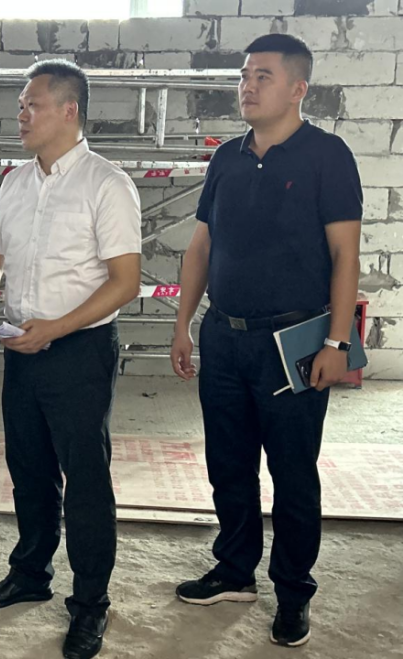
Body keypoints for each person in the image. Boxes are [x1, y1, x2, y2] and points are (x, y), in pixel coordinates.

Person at [170, 34, 363, 648]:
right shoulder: (226, 157)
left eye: (263, 76)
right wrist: (184, 322)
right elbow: (201, 246)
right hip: (225, 337)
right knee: (228, 464)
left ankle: (293, 592)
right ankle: (234, 571)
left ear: (298, 88)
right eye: (244, 75)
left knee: (292, 473)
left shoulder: (327, 155)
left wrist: (337, 342)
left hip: (295, 341)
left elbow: (346, 255)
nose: (248, 86)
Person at [0, 60, 142, 659]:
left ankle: (90, 602)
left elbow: (125, 282)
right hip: (21, 347)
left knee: (85, 479)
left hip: (79, 351)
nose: (20, 115)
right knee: (29, 468)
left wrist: (57, 328)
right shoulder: (16, 182)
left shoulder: (106, 184)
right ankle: (30, 573)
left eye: (31, 105)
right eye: (20, 105)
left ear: (69, 110)